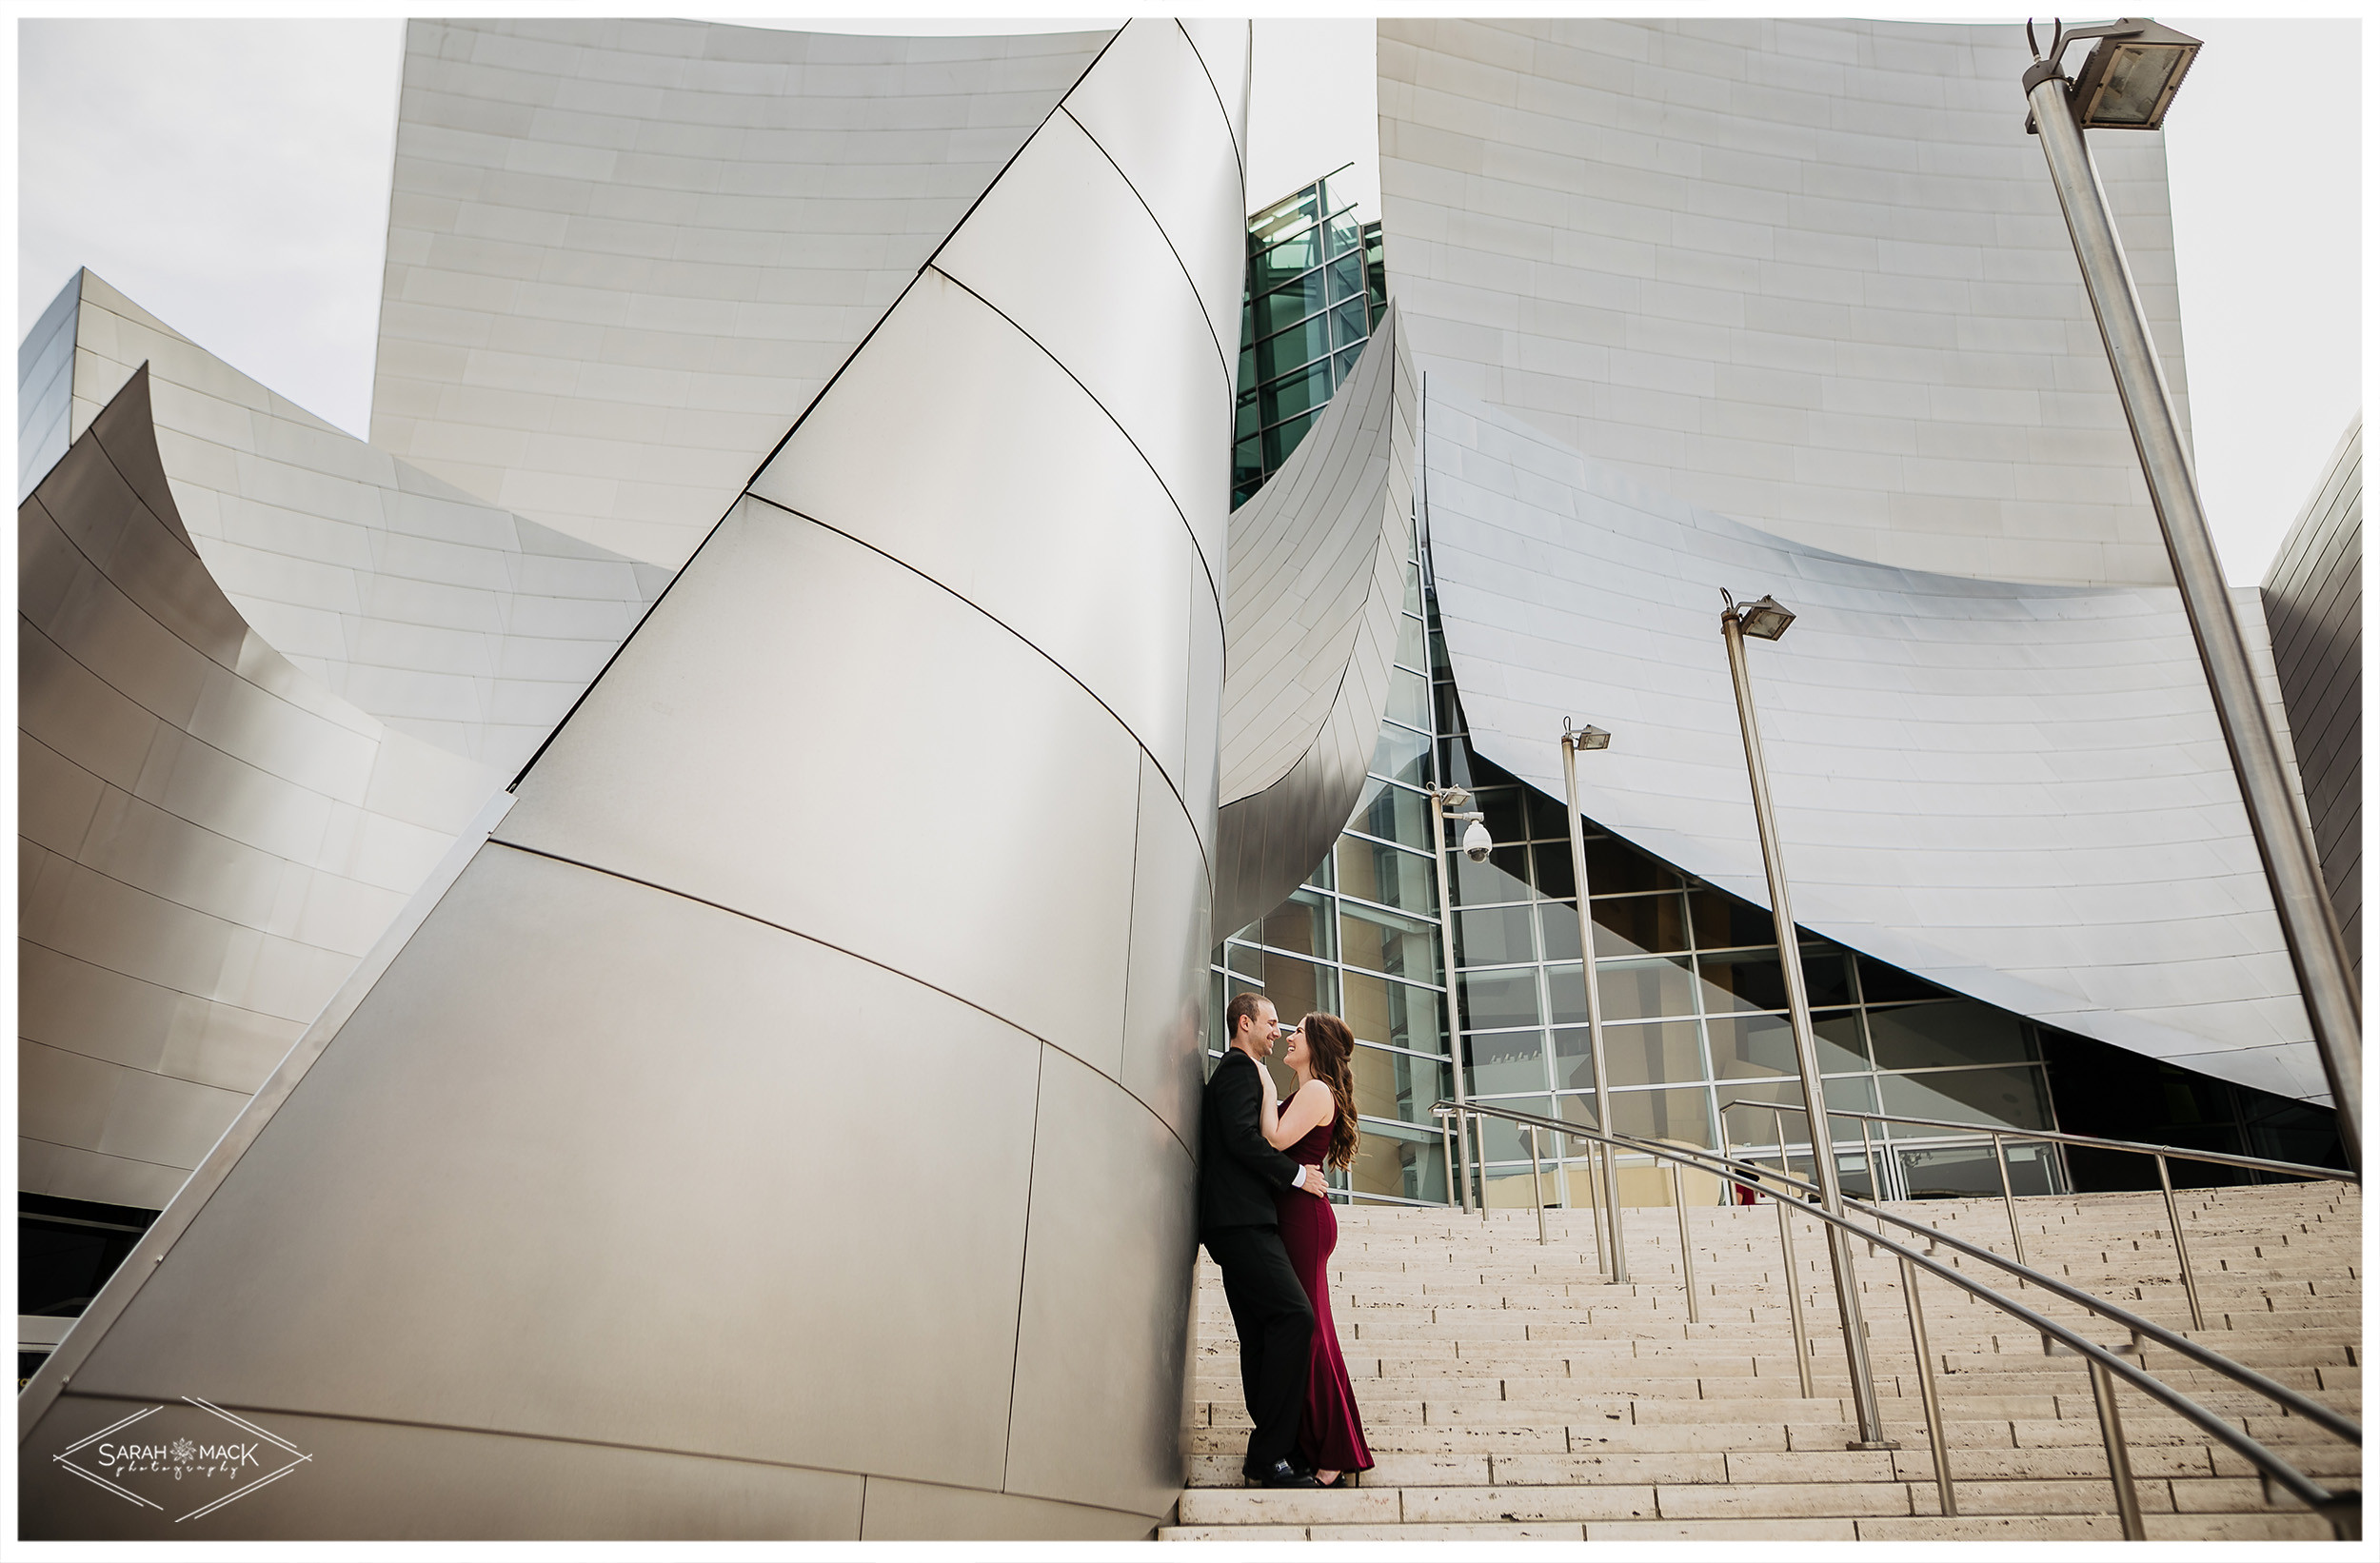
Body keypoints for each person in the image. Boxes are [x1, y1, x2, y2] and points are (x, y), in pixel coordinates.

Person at [1199, 993, 1330, 1489]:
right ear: (1245, 1022)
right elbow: (1239, 1137)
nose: (1278, 1031)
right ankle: (1269, 1453)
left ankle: (1277, 1450)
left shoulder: (1253, 1072)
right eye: (1272, 1023)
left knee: (1260, 1337)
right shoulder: (1237, 1068)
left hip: (1243, 1222)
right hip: (1240, 1223)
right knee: (1295, 1317)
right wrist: (1297, 1176)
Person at [1259, 1013, 1375, 1489]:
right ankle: (1324, 1442)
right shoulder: (1309, 1091)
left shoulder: (1317, 1091)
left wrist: (1262, 1080)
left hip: (1304, 1221)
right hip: (1296, 1217)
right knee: (1309, 1331)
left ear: (1317, 1044)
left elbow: (1276, 1138)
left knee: (1311, 1334)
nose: (1289, 1037)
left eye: (1299, 1032)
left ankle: (1335, 1451)